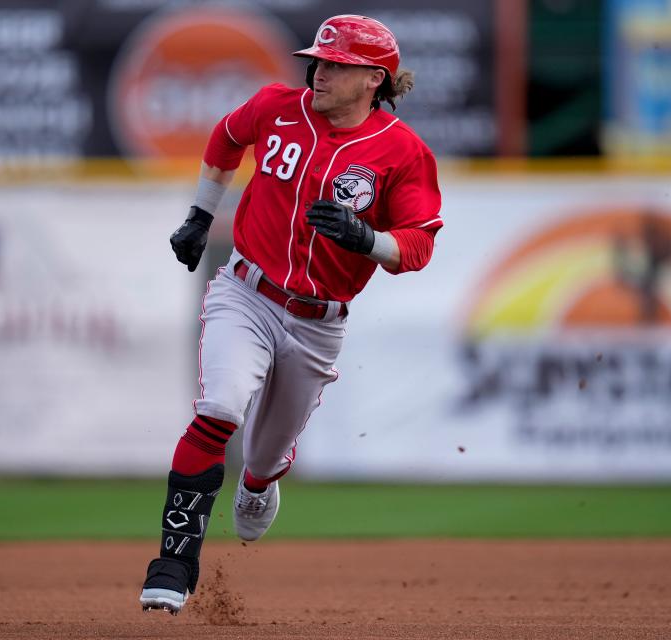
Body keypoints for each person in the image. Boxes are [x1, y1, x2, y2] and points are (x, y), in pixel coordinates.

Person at [139, 14, 443, 614]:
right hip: (246, 291)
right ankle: (173, 564)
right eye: (318, 60)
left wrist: (367, 239)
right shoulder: (278, 107)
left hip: (317, 322)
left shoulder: (404, 152)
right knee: (219, 406)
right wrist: (202, 215)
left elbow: (418, 245)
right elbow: (226, 137)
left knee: (265, 455)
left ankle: (258, 484)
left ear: (374, 80)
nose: (319, 72)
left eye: (336, 64)